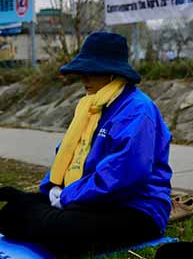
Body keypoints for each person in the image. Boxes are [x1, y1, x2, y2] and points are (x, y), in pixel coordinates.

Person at [0, 32, 173, 256]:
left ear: (112, 73)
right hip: (91, 200)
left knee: (59, 229)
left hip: (135, 208)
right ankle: (38, 213)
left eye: (92, 72)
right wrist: (53, 189)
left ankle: (41, 216)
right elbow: (66, 157)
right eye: (83, 72)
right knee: (14, 211)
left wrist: (66, 197)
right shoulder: (91, 106)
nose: (84, 78)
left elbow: (123, 176)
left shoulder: (137, 110)